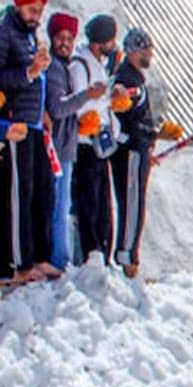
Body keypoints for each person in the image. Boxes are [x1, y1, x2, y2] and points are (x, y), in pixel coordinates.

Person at [112, 28, 183, 278]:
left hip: (139, 150)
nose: (149, 55)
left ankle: (130, 253)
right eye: (145, 51)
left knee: (135, 202)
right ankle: (127, 255)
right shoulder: (127, 81)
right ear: (133, 52)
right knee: (132, 203)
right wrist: (153, 134)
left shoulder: (136, 79)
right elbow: (127, 119)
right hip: (131, 150)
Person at [0, 0, 54, 281]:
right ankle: (20, 262)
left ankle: (38, 255)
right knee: (19, 194)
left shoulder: (30, 34)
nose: (36, 17)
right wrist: (29, 73)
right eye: (32, 10)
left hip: (33, 122)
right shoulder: (6, 30)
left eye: (40, 12)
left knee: (40, 191)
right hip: (15, 123)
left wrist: (43, 108)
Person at [45, 12, 101, 268]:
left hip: (64, 148)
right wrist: (86, 95)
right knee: (58, 208)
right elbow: (58, 108)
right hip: (57, 150)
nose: (65, 43)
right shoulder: (56, 69)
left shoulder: (63, 67)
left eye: (69, 38)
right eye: (60, 38)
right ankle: (59, 260)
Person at [70, 13, 119, 267]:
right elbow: (80, 103)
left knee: (103, 207)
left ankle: (103, 253)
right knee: (88, 204)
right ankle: (91, 255)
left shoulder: (99, 65)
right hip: (85, 144)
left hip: (101, 143)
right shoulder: (81, 65)